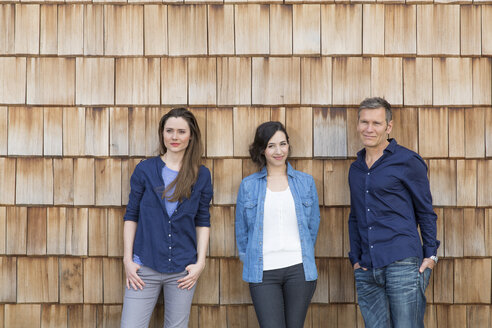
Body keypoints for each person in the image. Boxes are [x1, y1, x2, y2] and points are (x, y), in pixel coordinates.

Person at [348, 97, 439, 328]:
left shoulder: (407, 161)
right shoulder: (356, 169)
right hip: (367, 268)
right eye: (364, 122)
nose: (369, 129)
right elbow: (356, 216)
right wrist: (356, 260)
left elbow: (425, 211)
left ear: (388, 127)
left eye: (376, 123)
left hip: (403, 264)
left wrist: (431, 256)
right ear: (358, 124)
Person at [121, 108, 213, 328]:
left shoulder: (201, 175)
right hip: (144, 268)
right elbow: (131, 215)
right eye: (169, 130)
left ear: (191, 136)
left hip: (183, 270)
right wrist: (128, 259)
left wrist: (200, 263)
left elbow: (202, 220)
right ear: (162, 133)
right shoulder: (145, 170)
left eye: (181, 131)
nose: (174, 137)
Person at [235, 121, 320, 328]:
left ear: (288, 146)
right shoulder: (248, 186)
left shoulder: (305, 182)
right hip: (263, 272)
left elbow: (312, 225)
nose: (278, 151)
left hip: (299, 270)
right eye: (271, 145)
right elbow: (242, 231)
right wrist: (251, 259)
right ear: (262, 150)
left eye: (283, 144)